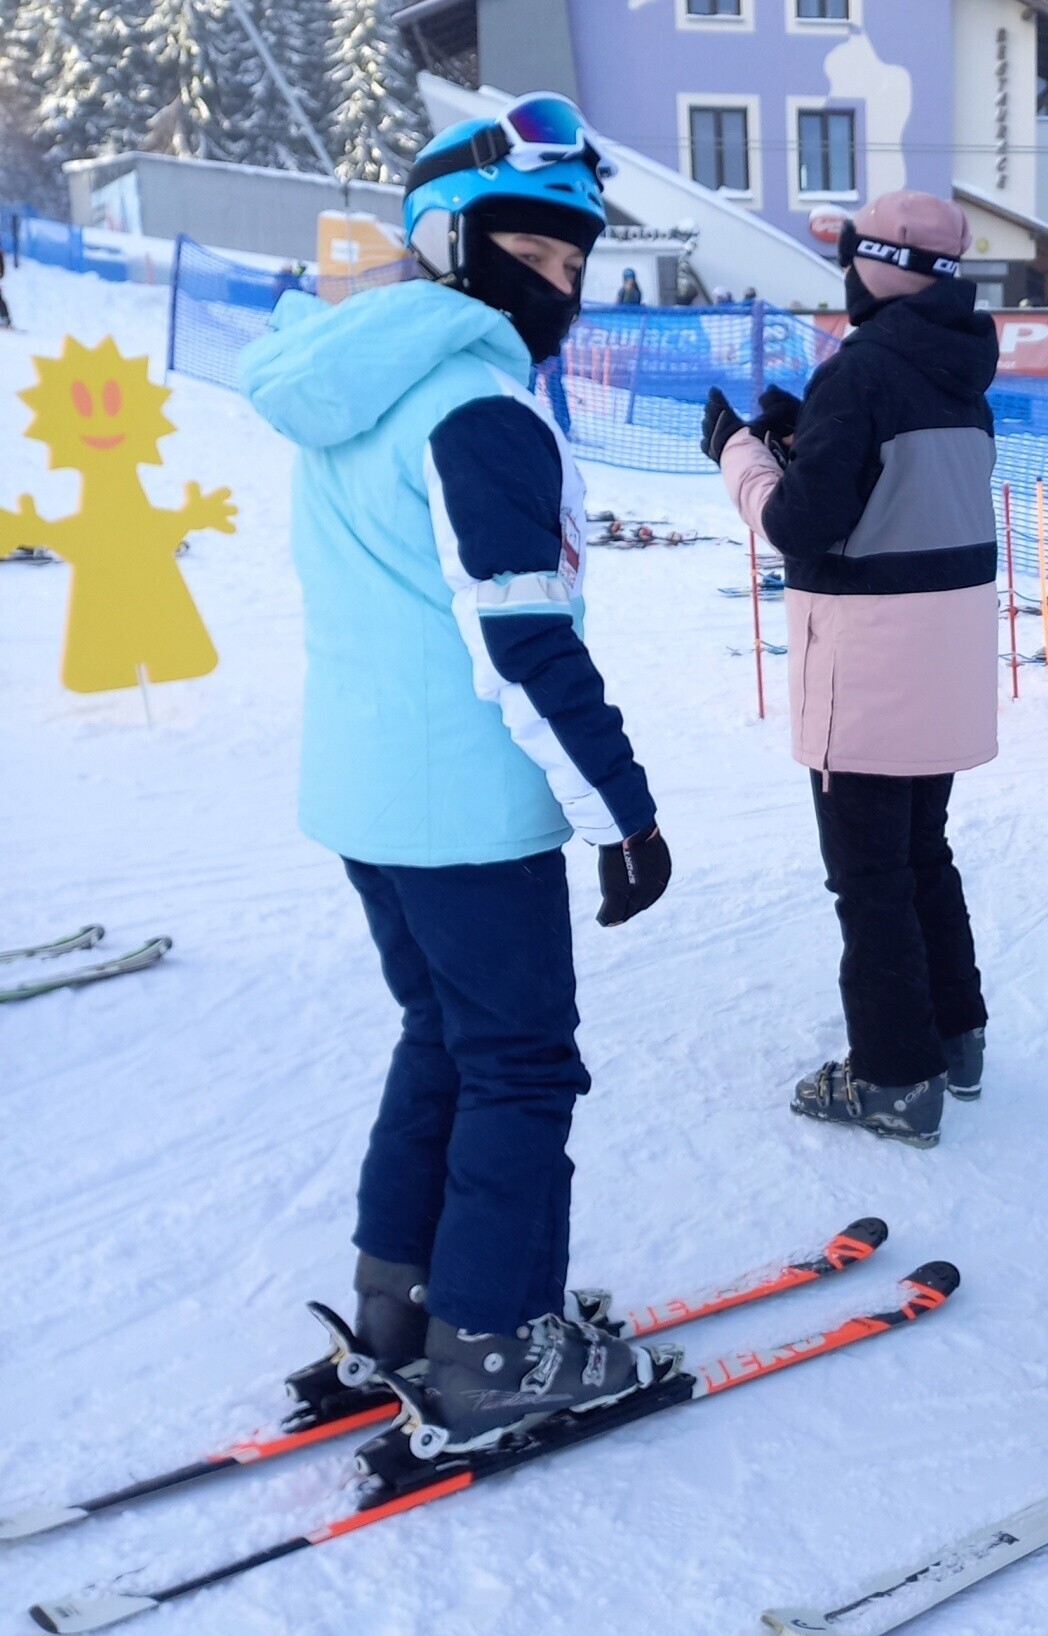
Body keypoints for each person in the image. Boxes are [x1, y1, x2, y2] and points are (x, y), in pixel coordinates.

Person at [239, 95, 674, 1454]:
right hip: (468, 810)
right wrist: (623, 809)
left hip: (371, 795)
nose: (557, 284)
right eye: (526, 252)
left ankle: (407, 1306)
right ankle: (495, 1344)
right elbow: (522, 638)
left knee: (443, 1037)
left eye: (572, 260)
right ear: (445, 241)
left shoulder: (354, 374)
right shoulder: (477, 406)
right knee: (522, 1067)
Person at [702, 190, 998, 1149]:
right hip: (943, 664)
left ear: (870, 269)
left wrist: (740, 456)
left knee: (870, 878)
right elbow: (891, 490)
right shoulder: (961, 371)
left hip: (867, 669)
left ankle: (894, 1079)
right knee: (922, 855)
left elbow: (799, 526)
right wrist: (809, 436)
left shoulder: (859, 372)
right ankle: (954, 1040)